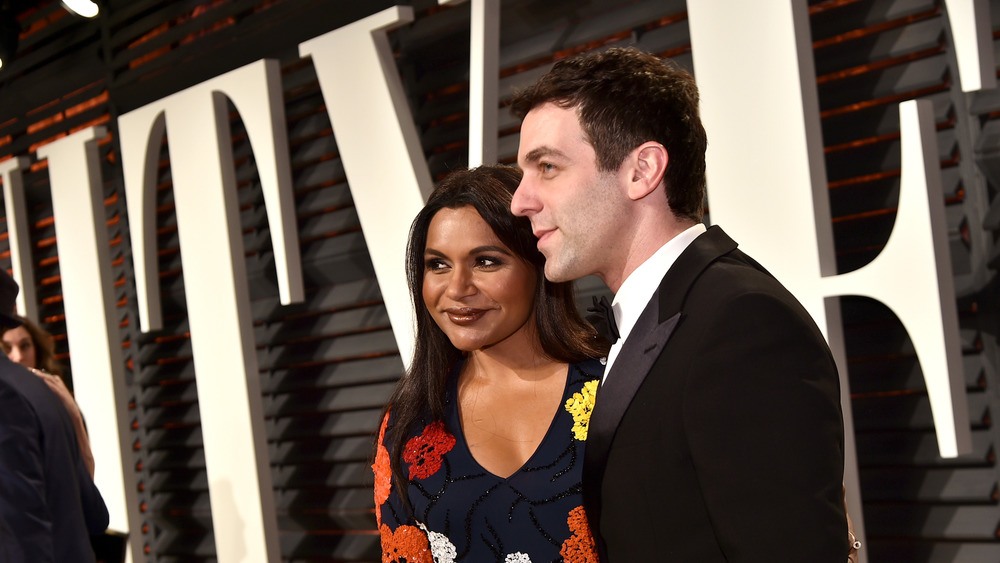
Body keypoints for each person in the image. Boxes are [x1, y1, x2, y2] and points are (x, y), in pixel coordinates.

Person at [510, 46, 850, 562]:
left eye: (547, 167)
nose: (521, 200)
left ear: (642, 170)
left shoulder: (742, 323)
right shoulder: (664, 315)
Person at [373, 165, 609, 562]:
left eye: (485, 261)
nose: (457, 288)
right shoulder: (411, 421)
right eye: (438, 264)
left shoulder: (614, 384)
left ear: (540, 262)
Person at [0, 268, 109, 561]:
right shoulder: (45, 392)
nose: (19, 355)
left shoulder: (7, 394)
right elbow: (95, 515)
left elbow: (23, 535)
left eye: (25, 345)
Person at [2, 314, 95, 478]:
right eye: (7, 348)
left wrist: (72, 412)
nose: (19, 356)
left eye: (25, 346)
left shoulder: (56, 397)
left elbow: (86, 470)